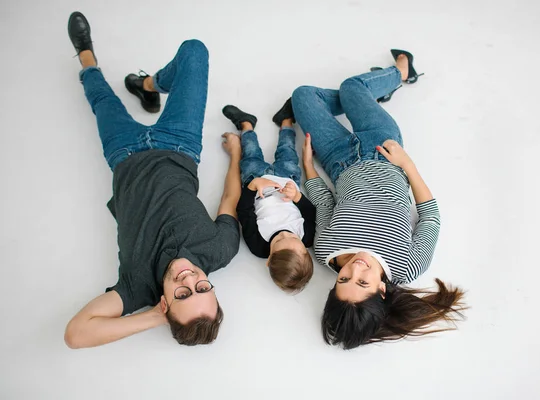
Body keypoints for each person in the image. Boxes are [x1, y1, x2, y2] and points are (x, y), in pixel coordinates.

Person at [64, 12, 241, 348]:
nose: (190, 280)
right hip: (181, 144)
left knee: (101, 96)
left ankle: (85, 53)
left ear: (164, 302)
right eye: (203, 288)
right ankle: (147, 86)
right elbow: (229, 199)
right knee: (194, 51)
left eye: (182, 294)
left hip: (124, 152)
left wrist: (155, 315)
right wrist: (235, 156)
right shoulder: (220, 249)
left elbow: (76, 334)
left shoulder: (137, 286)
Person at [292, 50, 466, 349]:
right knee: (351, 87)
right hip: (384, 149)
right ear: (382, 291)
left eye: (344, 280)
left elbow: (324, 203)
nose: (355, 269)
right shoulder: (407, 266)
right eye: (363, 282)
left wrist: (307, 165)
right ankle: (400, 73)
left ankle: (369, 95)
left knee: (303, 95)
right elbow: (430, 217)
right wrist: (407, 163)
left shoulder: (325, 252)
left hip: (336, 159)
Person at [220, 104, 316, 293]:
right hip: (287, 178)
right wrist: (296, 196)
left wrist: (253, 185)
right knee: (288, 151)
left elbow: (244, 212)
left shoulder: (258, 246)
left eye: (279, 240)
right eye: (292, 236)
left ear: (269, 260)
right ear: (305, 250)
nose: (284, 233)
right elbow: (309, 211)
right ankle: (286, 121)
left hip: (256, 181)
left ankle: (246, 125)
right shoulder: (307, 236)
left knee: (250, 152)